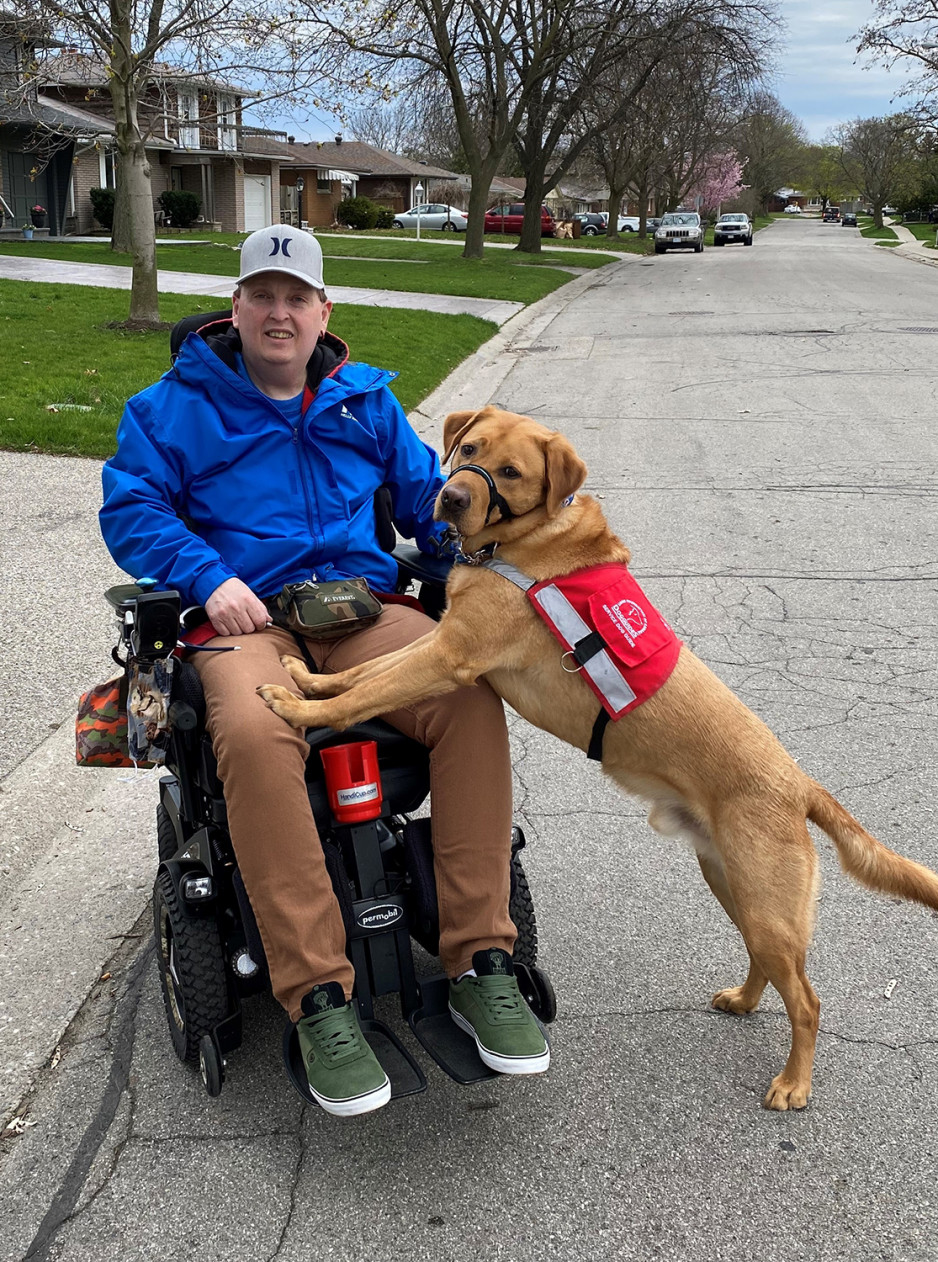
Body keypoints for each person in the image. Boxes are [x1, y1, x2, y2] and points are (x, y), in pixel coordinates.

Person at [100, 224, 549, 1117]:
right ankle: (318, 998)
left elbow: (432, 501)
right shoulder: (169, 409)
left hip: (362, 610)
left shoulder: (365, 403)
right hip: (247, 619)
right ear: (236, 308)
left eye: (295, 298)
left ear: (322, 314)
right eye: (262, 295)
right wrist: (209, 577)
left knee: (466, 696)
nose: (279, 313)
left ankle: (480, 959)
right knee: (262, 734)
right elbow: (133, 507)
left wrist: (499, 543)